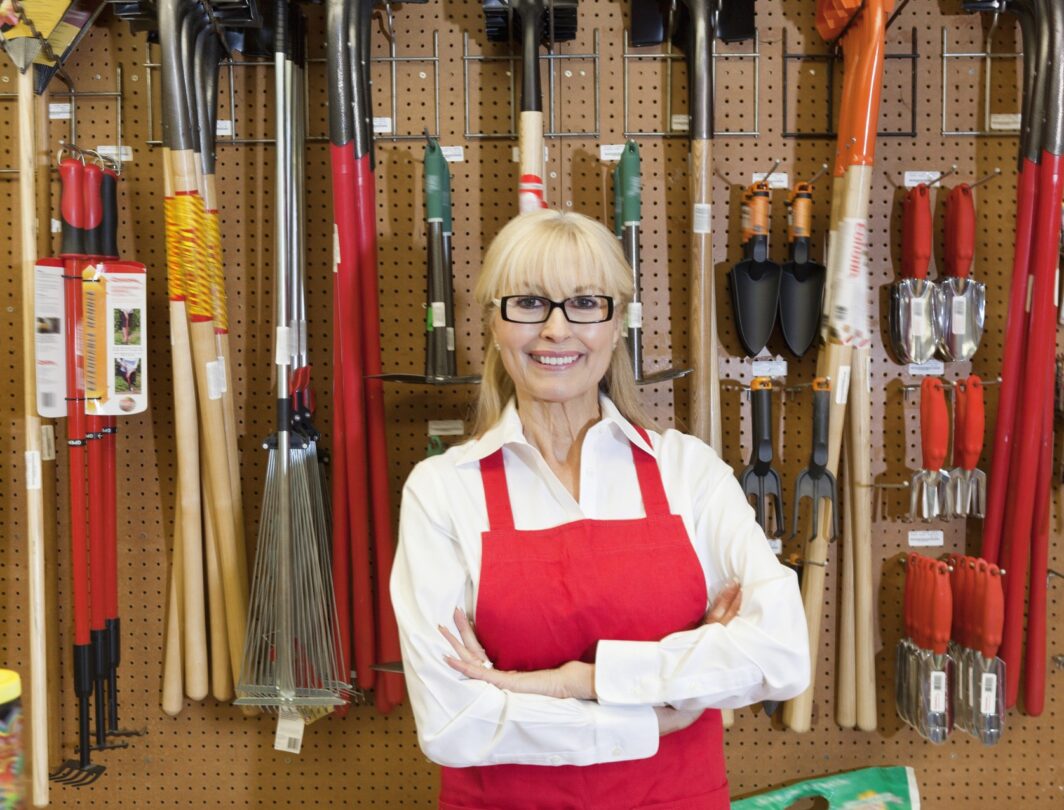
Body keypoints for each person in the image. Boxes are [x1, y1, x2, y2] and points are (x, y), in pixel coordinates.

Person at [391, 210, 810, 810]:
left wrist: (582, 681)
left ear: (616, 326)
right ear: (494, 324)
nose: (556, 330)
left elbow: (781, 654)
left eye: (586, 303)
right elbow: (452, 723)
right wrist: (653, 713)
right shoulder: (442, 491)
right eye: (529, 303)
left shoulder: (686, 472)